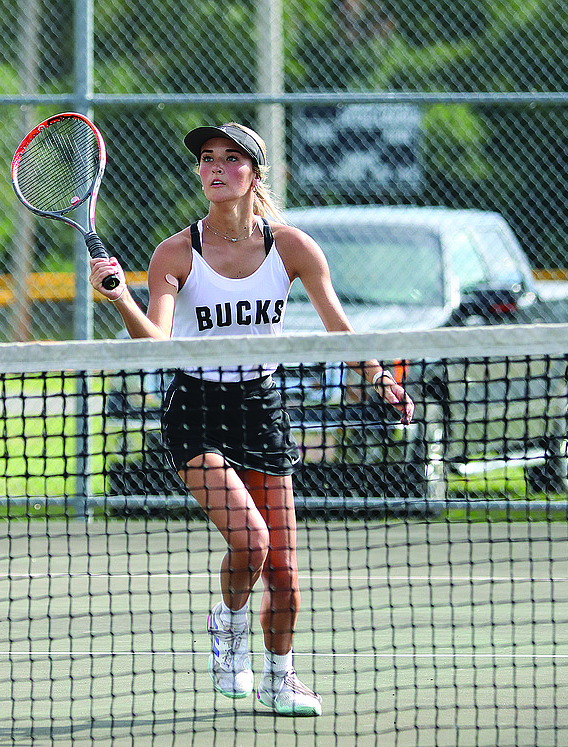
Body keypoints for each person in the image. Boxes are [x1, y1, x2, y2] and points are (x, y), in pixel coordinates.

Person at [90, 122, 414, 716]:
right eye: (207, 159)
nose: (215, 168)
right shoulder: (175, 253)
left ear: (254, 174)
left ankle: (280, 679)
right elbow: (157, 341)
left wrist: (380, 377)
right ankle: (229, 629)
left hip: (262, 408)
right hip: (197, 410)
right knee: (250, 540)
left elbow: (338, 327)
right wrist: (121, 297)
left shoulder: (292, 247)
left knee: (286, 572)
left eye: (231, 159)